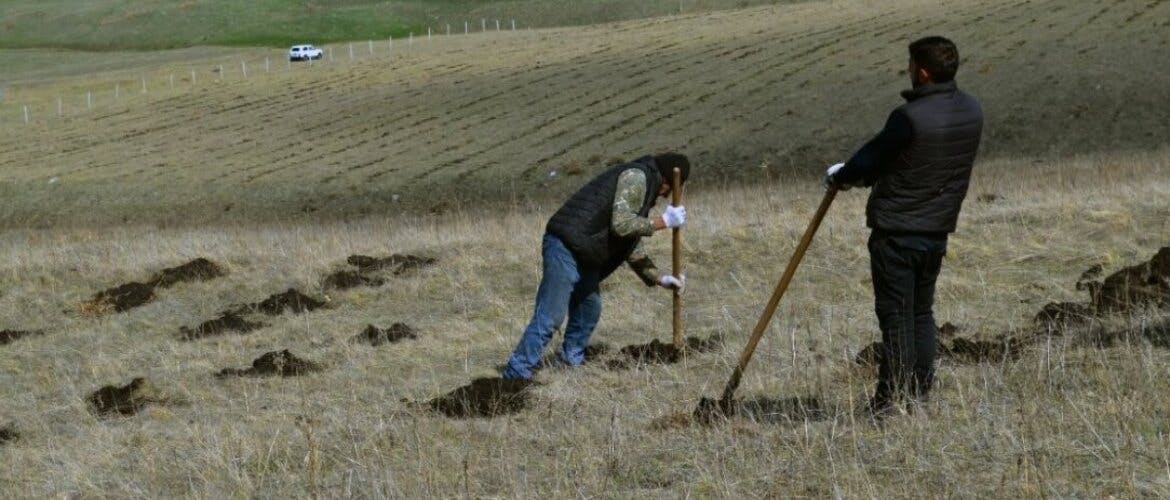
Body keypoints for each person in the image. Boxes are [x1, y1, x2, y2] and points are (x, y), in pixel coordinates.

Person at [825, 36, 984, 415]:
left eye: (911, 66)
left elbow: (872, 159)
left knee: (896, 317)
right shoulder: (972, 111)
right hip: (937, 229)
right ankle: (919, 395)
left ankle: (887, 404)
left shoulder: (910, 117)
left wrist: (843, 174)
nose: (908, 72)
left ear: (923, 72)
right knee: (921, 313)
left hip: (897, 230)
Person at [501, 153, 691, 380]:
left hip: (586, 251)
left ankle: (569, 362)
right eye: (668, 190)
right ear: (667, 181)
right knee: (551, 315)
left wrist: (660, 278)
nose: (666, 196)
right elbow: (622, 225)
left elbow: (629, 243)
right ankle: (516, 373)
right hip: (566, 245)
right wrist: (662, 223)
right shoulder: (637, 177)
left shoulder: (645, 183)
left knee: (589, 309)